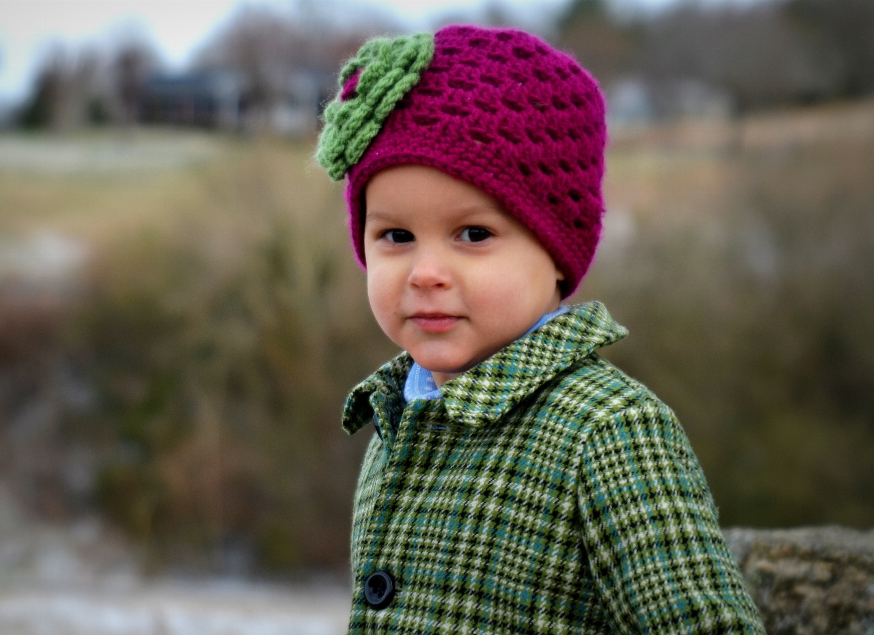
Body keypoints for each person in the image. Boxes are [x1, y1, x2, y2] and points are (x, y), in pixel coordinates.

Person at [315, 24, 765, 634]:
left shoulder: (607, 433)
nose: (425, 273)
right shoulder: (398, 421)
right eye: (396, 236)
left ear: (556, 251)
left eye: (473, 235)